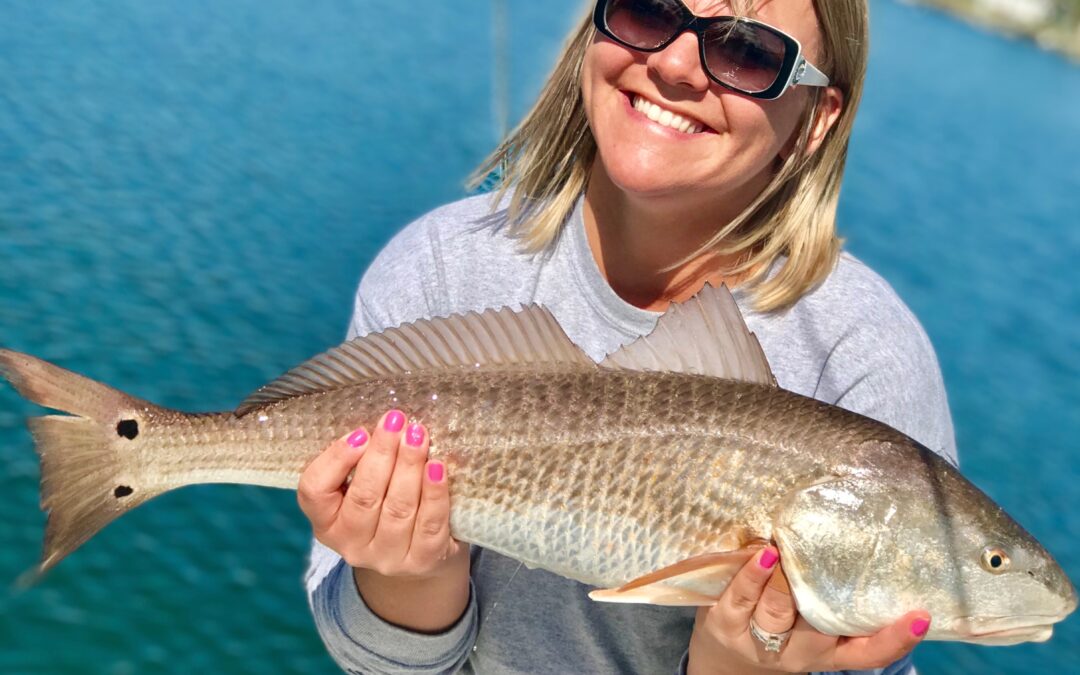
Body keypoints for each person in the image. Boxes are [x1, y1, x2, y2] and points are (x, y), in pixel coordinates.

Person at [299, 0, 957, 673]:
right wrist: (411, 574)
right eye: (646, 10)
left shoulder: (865, 361)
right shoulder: (440, 265)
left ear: (816, 118)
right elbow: (374, 659)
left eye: (747, 53)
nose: (674, 65)